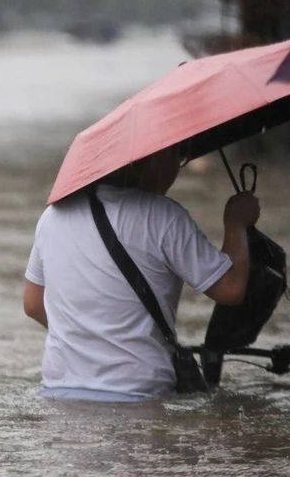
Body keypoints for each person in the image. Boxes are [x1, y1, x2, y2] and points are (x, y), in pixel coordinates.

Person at [23, 146, 260, 401]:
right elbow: (231, 288)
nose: (176, 171)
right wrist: (236, 223)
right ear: (153, 161)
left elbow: (33, 304)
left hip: (58, 393)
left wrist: (90, 336)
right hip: (138, 395)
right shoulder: (164, 217)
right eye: (176, 158)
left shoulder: (53, 216)